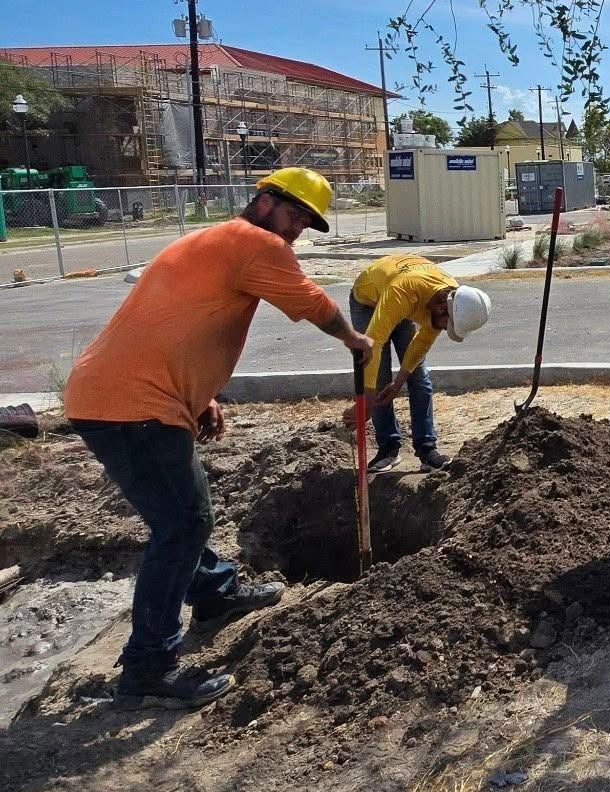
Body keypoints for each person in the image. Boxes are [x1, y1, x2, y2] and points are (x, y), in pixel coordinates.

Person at [64, 169, 373, 707]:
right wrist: (353, 336)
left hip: (116, 396)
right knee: (184, 522)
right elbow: (312, 303)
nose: (298, 228)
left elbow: (172, 320)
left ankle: (214, 592)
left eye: (307, 221)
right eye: (295, 214)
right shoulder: (257, 243)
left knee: (179, 514)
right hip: (132, 406)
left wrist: (199, 394)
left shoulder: (212, 242)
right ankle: (148, 670)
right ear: (265, 201)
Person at [348, 256, 491, 472]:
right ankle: (388, 448)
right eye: (446, 326)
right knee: (379, 377)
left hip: (404, 298)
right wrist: (367, 403)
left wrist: (398, 383)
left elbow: (421, 344)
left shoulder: (451, 299)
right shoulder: (406, 292)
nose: (443, 330)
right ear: (441, 308)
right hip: (368, 301)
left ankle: (426, 449)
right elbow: (373, 344)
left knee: (419, 379)